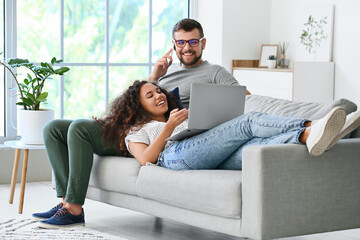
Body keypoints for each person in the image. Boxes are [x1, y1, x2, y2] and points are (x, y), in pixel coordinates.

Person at [101, 80, 360, 171]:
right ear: (138, 107)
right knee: (247, 120)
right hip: (175, 156)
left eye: (158, 91)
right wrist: (168, 128)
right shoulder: (136, 131)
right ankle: (315, 126)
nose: (159, 95)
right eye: (150, 95)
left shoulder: (180, 114)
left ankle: (305, 137)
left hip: (202, 150)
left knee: (254, 148)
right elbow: (146, 160)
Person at [149, 18, 250, 108]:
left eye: (193, 42)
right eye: (181, 42)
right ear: (174, 45)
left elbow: (248, 99)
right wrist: (154, 77)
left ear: (203, 44)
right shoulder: (163, 71)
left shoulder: (216, 72)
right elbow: (140, 102)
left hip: (195, 126)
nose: (187, 48)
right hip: (162, 125)